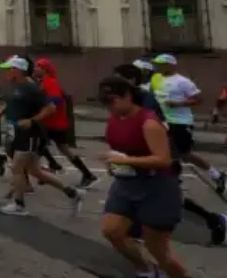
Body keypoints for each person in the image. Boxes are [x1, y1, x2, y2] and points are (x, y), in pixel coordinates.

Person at [113, 63, 226, 246]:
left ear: (131, 80)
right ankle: (137, 231)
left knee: (164, 196)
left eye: (117, 79)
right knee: (141, 193)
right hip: (142, 154)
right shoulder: (126, 99)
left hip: (158, 153)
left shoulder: (144, 98)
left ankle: (214, 221)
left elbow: (155, 126)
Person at [97, 77, 189, 278]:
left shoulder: (148, 122)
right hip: (126, 185)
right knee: (112, 231)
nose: (109, 107)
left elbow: (163, 160)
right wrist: (112, 162)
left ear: (128, 96)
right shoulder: (114, 119)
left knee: (159, 251)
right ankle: (145, 270)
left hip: (157, 187)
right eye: (105, 102)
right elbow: (116, 148)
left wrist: (126, 160)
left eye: (112, 101)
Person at [0, 55, 84, 216]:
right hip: (15, 131)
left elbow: (50, 108)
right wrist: (1, 112)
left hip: (29, 134)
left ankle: (19, 205)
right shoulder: (15, 85)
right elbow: (12, 103)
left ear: (18, 70)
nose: (5, 72)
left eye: (8, 69)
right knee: (35, 171)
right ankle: (73, 193)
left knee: (17, 167)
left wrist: (31, 120)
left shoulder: (32, 88)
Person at [145, 54, 225, 195]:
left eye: (161, 64)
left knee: (184, 154)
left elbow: (198, 99)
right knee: (164, 152)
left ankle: (216, 175)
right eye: (157, 64)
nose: (158, 66)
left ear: (171, 65)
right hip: (162, 120)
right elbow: (152, 95)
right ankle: (172, 180)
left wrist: (178, 104)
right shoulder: (156, 78)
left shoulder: (182, 81)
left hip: (180, 122)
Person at [32, 58, 99, 188]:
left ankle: (48, 171)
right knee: (51, 148)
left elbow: (56, 101)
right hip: (51, 122)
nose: (35, 69)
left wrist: (41, 111)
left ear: (45, 70)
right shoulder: (43, 82)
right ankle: (85, 174)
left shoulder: (50, 82)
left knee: (39, 148)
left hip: (54, 123)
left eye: (37, 66)